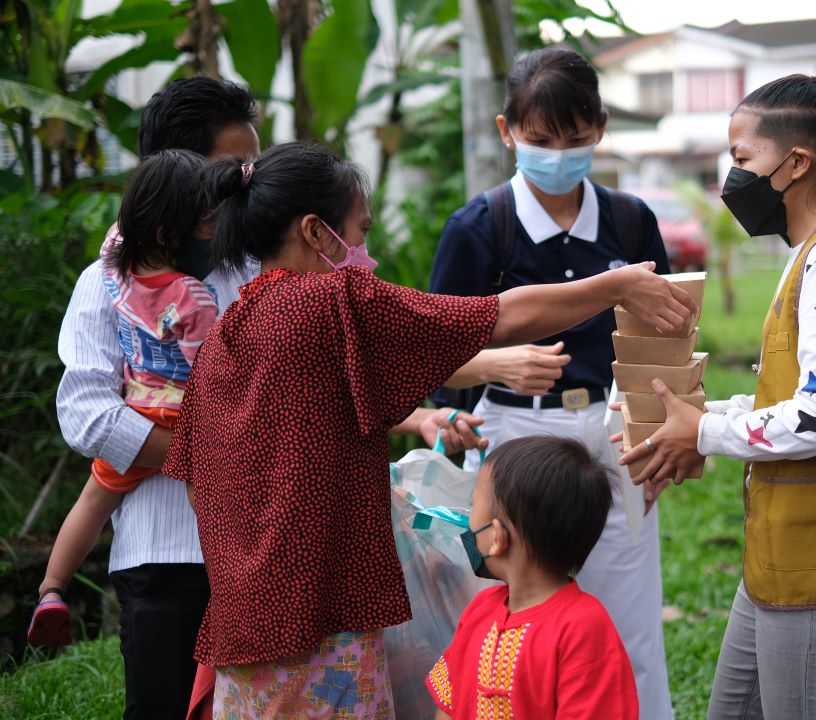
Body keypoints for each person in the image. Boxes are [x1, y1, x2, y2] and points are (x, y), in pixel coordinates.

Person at [159, 141, 694, 715]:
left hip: (244, 619)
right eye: (359, 233)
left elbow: (197, 479)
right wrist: (613, 287)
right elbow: (497, 316)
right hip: (325, 616)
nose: (366, 254)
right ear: (315, 232)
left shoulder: (228, 332)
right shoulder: (329, 299)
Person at [619, 72, 816, 719]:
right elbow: (799, 396)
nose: (733, 177)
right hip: (783, 563)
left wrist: (701, 433)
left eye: (742, 159)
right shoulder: (813, 251)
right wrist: (697, 416)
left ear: (796, 163)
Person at [428, 47, 675, 717]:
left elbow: (665, 338)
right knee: (519, 615)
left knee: (630, 625)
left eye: (574, 139)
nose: (558, 155)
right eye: (540, 140)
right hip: (515, 435)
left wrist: (670, 430)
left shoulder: (630, 222)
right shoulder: (481, 230)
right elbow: (434, 348)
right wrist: (461, 402)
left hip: (615, 433)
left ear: (598, 127)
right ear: (508, 131)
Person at [53, 76, 261, 720]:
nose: (246, 184)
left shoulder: (258, 268)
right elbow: (85, 412)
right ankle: (50, 587)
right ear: (173, 173)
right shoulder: (106, 281)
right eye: (232, 169)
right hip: (162, 556)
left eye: (252, 167)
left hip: (261, 551)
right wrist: (204, 453)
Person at [29, 150, 220, 648]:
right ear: (169, 234)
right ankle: (224, 574)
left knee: (92, 502)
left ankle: (51, 589)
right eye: (206, 223)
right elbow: (211, 372)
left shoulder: (114, 269)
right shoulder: (193, 297)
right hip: (180, 414)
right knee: (204, 485)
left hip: (136, 407)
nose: (215, 232)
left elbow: (119, 234)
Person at [427, 436, 638, 719]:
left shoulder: (583, 628)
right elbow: (448, 706)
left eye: (473, 504)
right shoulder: (480, 609)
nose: (467, 519)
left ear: (497, 538)